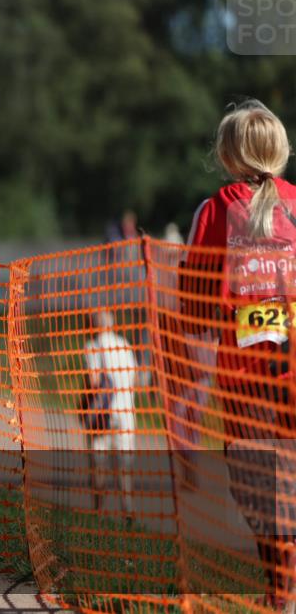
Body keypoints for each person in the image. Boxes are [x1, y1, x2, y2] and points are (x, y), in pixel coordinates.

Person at [182, 100, 296, 612]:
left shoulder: (215, 210)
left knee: (255, 484)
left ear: (228, 155)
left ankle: (281, 593)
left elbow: (194, 301)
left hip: (246, 379)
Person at [81, 310, 137, 523]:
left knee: (99, 462)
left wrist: (84, 403)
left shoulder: (93, 346)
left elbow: (94, 381)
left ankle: (98, 511)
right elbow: (134, 380)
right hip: (126, 413)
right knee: (124, 466)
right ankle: (127, 510)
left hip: (103, 414)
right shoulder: (124, 344)